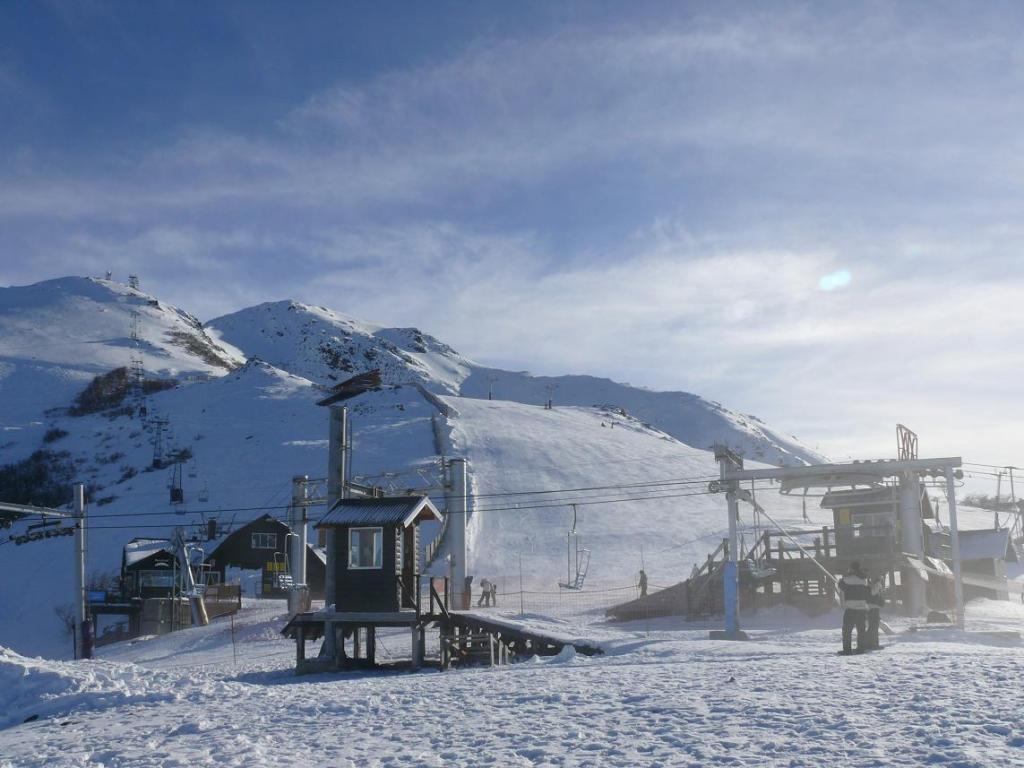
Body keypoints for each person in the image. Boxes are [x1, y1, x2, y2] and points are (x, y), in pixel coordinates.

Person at [837, 561, 870, 654]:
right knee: (861, 630)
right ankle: (861, 649)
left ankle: (847, 650)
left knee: (847, 630)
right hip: (862, 609)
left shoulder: (848, 579)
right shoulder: (864, 579)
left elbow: (841, 585)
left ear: (852, 568)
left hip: (851, 608)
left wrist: (842, 579)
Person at [865, 576, 884, 650]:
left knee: (873, 628)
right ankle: (872, 644)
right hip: (873, 610)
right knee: (873, 628)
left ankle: (872, 644)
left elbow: (881, 603)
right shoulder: (874, 588)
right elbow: (880, 602)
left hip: (873, 610)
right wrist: (879, 591)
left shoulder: (871, 588)